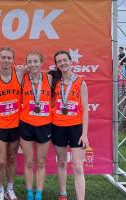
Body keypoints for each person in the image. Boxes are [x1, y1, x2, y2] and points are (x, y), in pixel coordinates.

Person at [50, 50, 89, 200]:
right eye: (59, 61)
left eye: (64, 60)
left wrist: (84, 134)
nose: (62, 63)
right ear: (57, 65)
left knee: (78, 166)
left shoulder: (81, 82)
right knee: (61, 162)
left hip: (76, 128)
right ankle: (63, 194)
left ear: (70, 61)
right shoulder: (54, 82)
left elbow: (85, 110)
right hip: (58, 126)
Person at [0, 47, 23, 200]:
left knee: (12, 158)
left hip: (15, 124)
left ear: (13, 60)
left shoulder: (20, 72)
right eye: (3, 57)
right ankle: (0, 189)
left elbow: (35, 67)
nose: (6, 60)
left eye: (9, 58)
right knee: (1, 160)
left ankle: (10, 188)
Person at [20, 51, 52, 200]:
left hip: (44, 124)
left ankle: (38, 193)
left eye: (35, 61)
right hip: (26, 123)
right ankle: (29, 192)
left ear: (41, 63)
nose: (32, 65)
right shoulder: (23, 79)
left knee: (40, 161)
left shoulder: (50, 78)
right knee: (28, 161)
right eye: (30, 62)